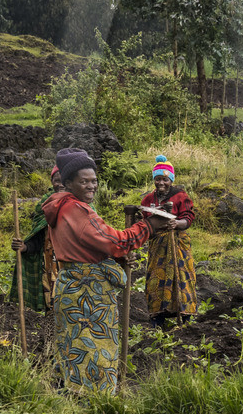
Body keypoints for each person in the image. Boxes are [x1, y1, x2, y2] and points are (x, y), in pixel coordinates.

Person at [42, 147, 160, 393]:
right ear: (68, 183)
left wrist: (114, 259)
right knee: (94, 348)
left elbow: (87, 246)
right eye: (83, 181)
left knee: (74, 345)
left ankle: (73, 397)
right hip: (88, 294)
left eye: (94, 180)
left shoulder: (61, 206)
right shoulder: (76, 210)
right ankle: (95, 404)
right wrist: (149, 225)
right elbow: (117, 242)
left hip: (70, 287)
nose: (91, 186)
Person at [139, 155, 200, 328]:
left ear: (171, 180)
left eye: (165, 179)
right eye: (157, 179)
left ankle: (185, 318)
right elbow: (144, 221)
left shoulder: (181, 196)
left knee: (182, 279)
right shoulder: (148, 200)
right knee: (155, 280)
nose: (161, 183)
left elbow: (188, 217)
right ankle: (158, 319)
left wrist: (177, 223)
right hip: (158, 246)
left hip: (177, 243)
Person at [10, 166, 62, 318]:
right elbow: (38, 238)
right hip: (50, 265)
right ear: (51, 181)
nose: (60, 184)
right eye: (56, 181)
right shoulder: (45, 204)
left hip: (74, 264)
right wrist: (25, 247)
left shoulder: (81, 202)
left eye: (64, 180)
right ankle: (50, 340)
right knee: (51, 305)